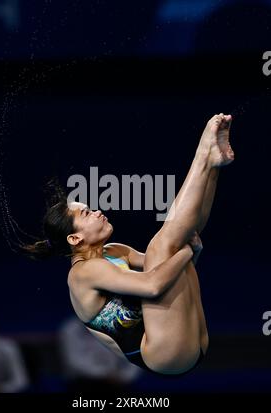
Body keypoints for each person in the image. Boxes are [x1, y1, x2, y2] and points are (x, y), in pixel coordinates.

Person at [22, 113, 234, 375]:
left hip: (187, 339)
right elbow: (154, 284)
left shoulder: (113, 251)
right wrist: (188, 253)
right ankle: (203, 155)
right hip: (164, 354)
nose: (98, 211)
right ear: (74, 239)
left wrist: (188, 253)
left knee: (176, 241)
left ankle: (213, 167)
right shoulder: (82, 272)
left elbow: (172, 269)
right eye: (87, 213)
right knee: (164, 247)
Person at [58, 316, 141, 393]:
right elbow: (74, 362)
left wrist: (124, 377)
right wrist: (104, 374)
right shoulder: (71, 329)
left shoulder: (121, 325)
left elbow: (135, 357)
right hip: (84, 382)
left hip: (118, 382)